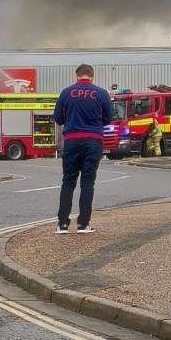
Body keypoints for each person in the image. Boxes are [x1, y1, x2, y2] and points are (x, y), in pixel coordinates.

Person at [53, 64, 113, 234]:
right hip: (93, 141)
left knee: (68, 182)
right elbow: (108, 119)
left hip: (71, 141)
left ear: (76, 76)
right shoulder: (101, 93)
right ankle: (83, 225)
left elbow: (58, 117)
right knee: (87, 182)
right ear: (92, 77)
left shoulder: (66, 92)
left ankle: (63, 225)